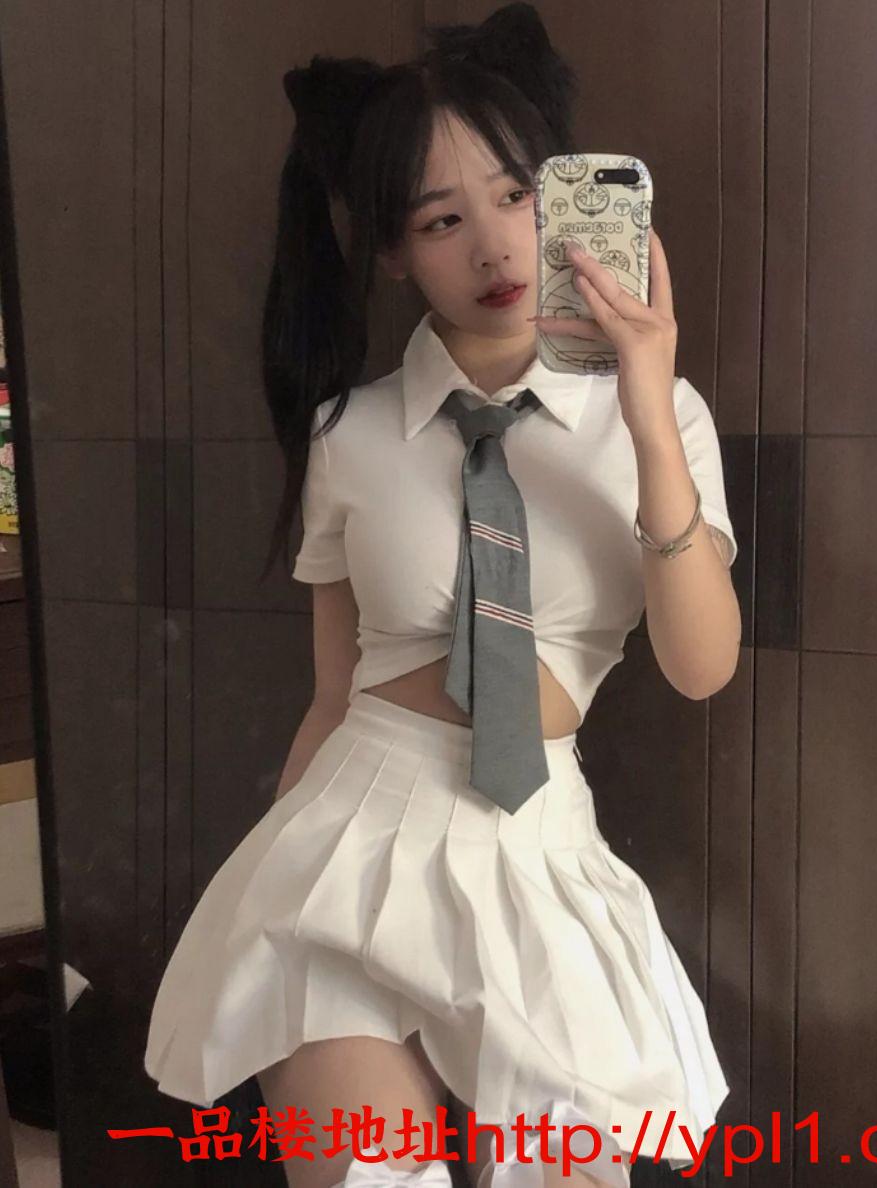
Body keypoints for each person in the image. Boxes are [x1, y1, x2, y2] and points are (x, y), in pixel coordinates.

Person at [144, 5, 741, 1186]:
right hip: (352, 833)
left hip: (538, 846)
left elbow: (699, 666)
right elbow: (332, 696)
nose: (494, 247)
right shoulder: (348, 433)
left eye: (516, 196)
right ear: (392, 252)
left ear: (560, 199)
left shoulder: (660, 417)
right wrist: (272, 869)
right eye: (441, 219)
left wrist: (643, 410)